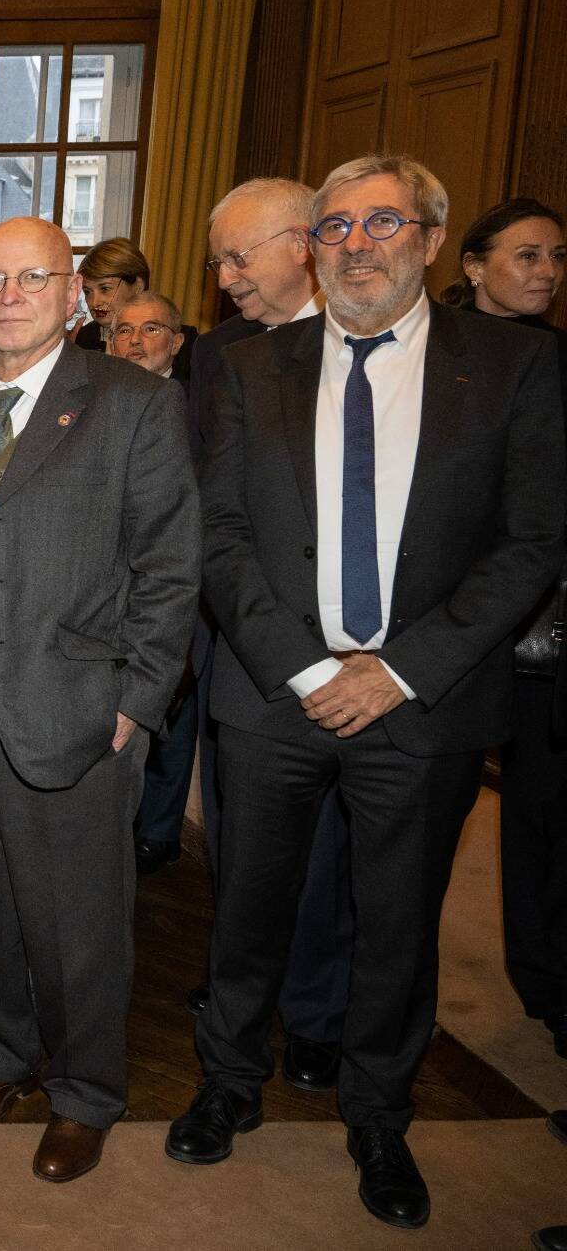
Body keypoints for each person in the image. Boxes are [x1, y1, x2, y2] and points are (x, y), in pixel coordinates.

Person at [169, 155, 565, 1232]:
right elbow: (220, 535)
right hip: (271, 693)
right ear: (311, 244)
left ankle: (379, 1118)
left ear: (429, 241)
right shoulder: (251, 365)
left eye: (381, 221)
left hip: (422, 702)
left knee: (395, 924)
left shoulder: (514, 367)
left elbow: (530, 542)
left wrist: (394, 670)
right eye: (334, 225)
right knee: (246, 908)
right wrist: (302, 667)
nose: (355, 243)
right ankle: (226, 1084)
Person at [0, 216, 199, 1184]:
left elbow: (168, 569)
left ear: (72, 290)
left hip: (76, 709)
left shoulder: (128, 404)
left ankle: (84, 1091)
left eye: (29, 277)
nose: (7, 296)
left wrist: (136, 700)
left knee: (76, 921)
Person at [187, 177, 354, 1092]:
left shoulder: (380, 337)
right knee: (247, 844)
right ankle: (236, 999)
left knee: (336, 845)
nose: (225, 277)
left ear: (302, 244)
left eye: (237, 256)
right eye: (219, 260)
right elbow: (208, 500)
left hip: (359, 650)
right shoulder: (220, 355)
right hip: (243, 638)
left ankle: (320, 1009)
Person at [442, 197, 567, 1060]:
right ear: (475, 265)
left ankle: (550, 988)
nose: (546, 272)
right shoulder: (441, 358)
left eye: (557, 257)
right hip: (455, 628)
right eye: (526, 256)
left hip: (547, 621)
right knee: (434, 819)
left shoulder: (558, 361)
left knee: (545, 811)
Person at [108, 291, 202, 874]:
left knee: (170, 713)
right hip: (101, 600)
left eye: (151, 330)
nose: (136, 341)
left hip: (173, 585)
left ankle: (159, 832)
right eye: (123, 330)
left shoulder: (193, 406)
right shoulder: (91, 398)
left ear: (176, 341)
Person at [73, 236, 150, 349]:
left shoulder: (174, 341)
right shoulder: (81, 339)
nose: (95, 303)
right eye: (88, 292)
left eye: (105, 289)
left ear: (138, 286)